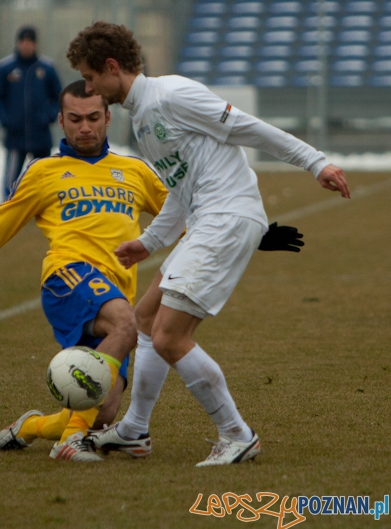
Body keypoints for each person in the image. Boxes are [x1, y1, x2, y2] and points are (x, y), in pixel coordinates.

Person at [67, 22, 350, 466]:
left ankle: (237, 435)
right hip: (206, 221)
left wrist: (315, 163)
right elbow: (181, 189)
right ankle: (135, 431)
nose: (89, 88)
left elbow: (248, 128)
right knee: (144, 319)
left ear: (112, 67)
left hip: (226, 218)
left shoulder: (172, 94)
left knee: (168, 336)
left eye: (89, 77)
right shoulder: (142, 119)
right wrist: (150, 241)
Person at [0, 80, 168, 461]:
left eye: (93, 118)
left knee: (102, 416)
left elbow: (190, 217)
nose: (84, 127)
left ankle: (29, 428)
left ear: (108, 118)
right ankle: (68, 445)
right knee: (126, 325)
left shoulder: (135, 170)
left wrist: (251, 230)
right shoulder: (43, 172)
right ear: (60, 120)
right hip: (68, 279)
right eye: (75, 119)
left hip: (114, 292)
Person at [0, 26, 62, 199]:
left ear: (35, 44)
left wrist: (49, 116)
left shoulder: (47, 68)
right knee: (12, 178)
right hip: (15, 134)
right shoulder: (5, 68)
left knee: (43, 174)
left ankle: (44, 206)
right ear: (17, 43)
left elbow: (59, 97)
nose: (26, 45)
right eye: (22, 41)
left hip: (40, 133)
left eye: (30, 41)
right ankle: (9, 206)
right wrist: (6, 120)